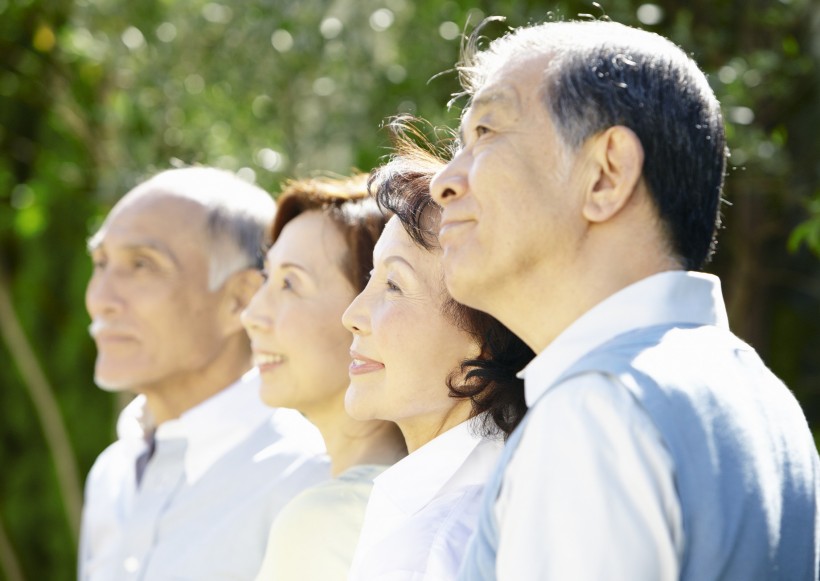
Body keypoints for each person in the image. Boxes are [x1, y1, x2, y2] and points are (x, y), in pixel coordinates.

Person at [427, 19, 820, 580]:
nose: (444, 181)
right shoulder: (762, 399)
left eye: (486, 132)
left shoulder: (595, 410)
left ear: (606, 174)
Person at [79, 166, 330, 581]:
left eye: (142, 264)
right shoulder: (112, 473)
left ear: (241, 299)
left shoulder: (308, 480)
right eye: (101, 262)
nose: (100, 299)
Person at [343, 142, 534, 580]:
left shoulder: (446, 544)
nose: (351, 316)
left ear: (484, 338)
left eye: (394, 285)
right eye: (371, 277)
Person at [241, 174, 408, 580]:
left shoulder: (332, 520)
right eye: (267, 278)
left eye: (289, 284)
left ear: (366, 310)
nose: (251, 316)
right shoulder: (421, 492)